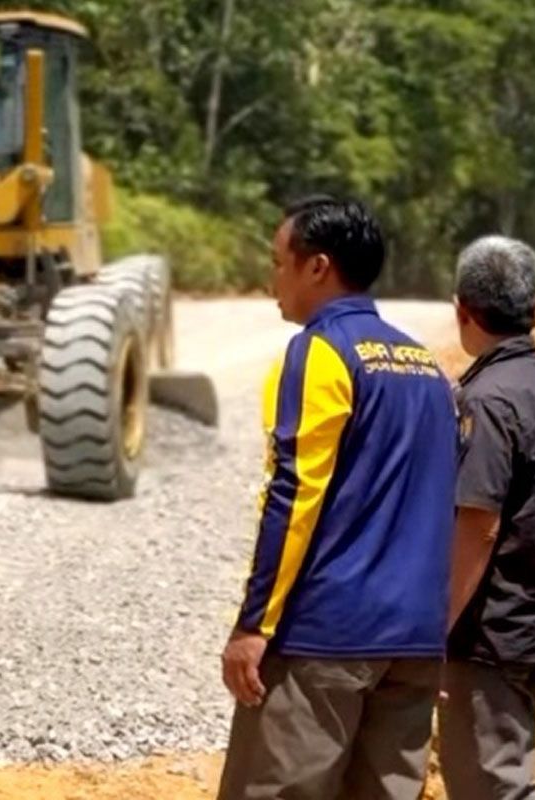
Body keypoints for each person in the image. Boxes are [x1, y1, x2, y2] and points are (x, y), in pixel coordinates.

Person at [217, 196, 459, 800]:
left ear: (317, 267)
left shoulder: (319, 354)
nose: (272, 280)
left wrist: (254, 624)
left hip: (325, 640)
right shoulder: (424, 366)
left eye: (279, 263)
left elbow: (294, 493)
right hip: (414, 643)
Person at [440, 236, 535, 799]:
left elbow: (478, 525)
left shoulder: (487, 400)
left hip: (488, 634)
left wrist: (437, 629)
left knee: (491, 786)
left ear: (462, 309)